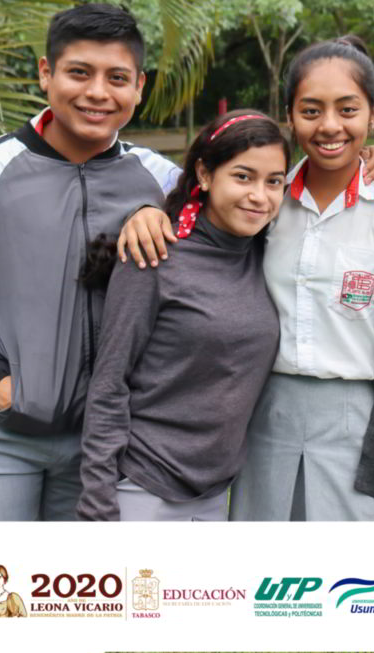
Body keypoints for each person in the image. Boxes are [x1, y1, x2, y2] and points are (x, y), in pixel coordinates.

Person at [0, 4, 183, 520]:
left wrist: (365, 163)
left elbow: (239, 228)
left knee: (77, 576)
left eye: (117, 78)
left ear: (139, 86)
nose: (97, 93)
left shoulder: (161, 182)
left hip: (104, 443)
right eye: (79, 72)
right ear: (46, 74)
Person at [226, 35, 374, 521]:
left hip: (363, 424)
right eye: (311, 110)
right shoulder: (265, 201)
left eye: (347, 110)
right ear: (289, 115)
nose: (329, 126)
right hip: (264, 417)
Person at [77, 111, 288, 522]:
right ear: (205, 174)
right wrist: (98, 503)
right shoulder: (155, 253)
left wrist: (370, 163)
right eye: (242, 177)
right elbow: (109, 383)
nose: (259, 196)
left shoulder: (269, 252)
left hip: (215, 492)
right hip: (143, 486)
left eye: (273, 181)